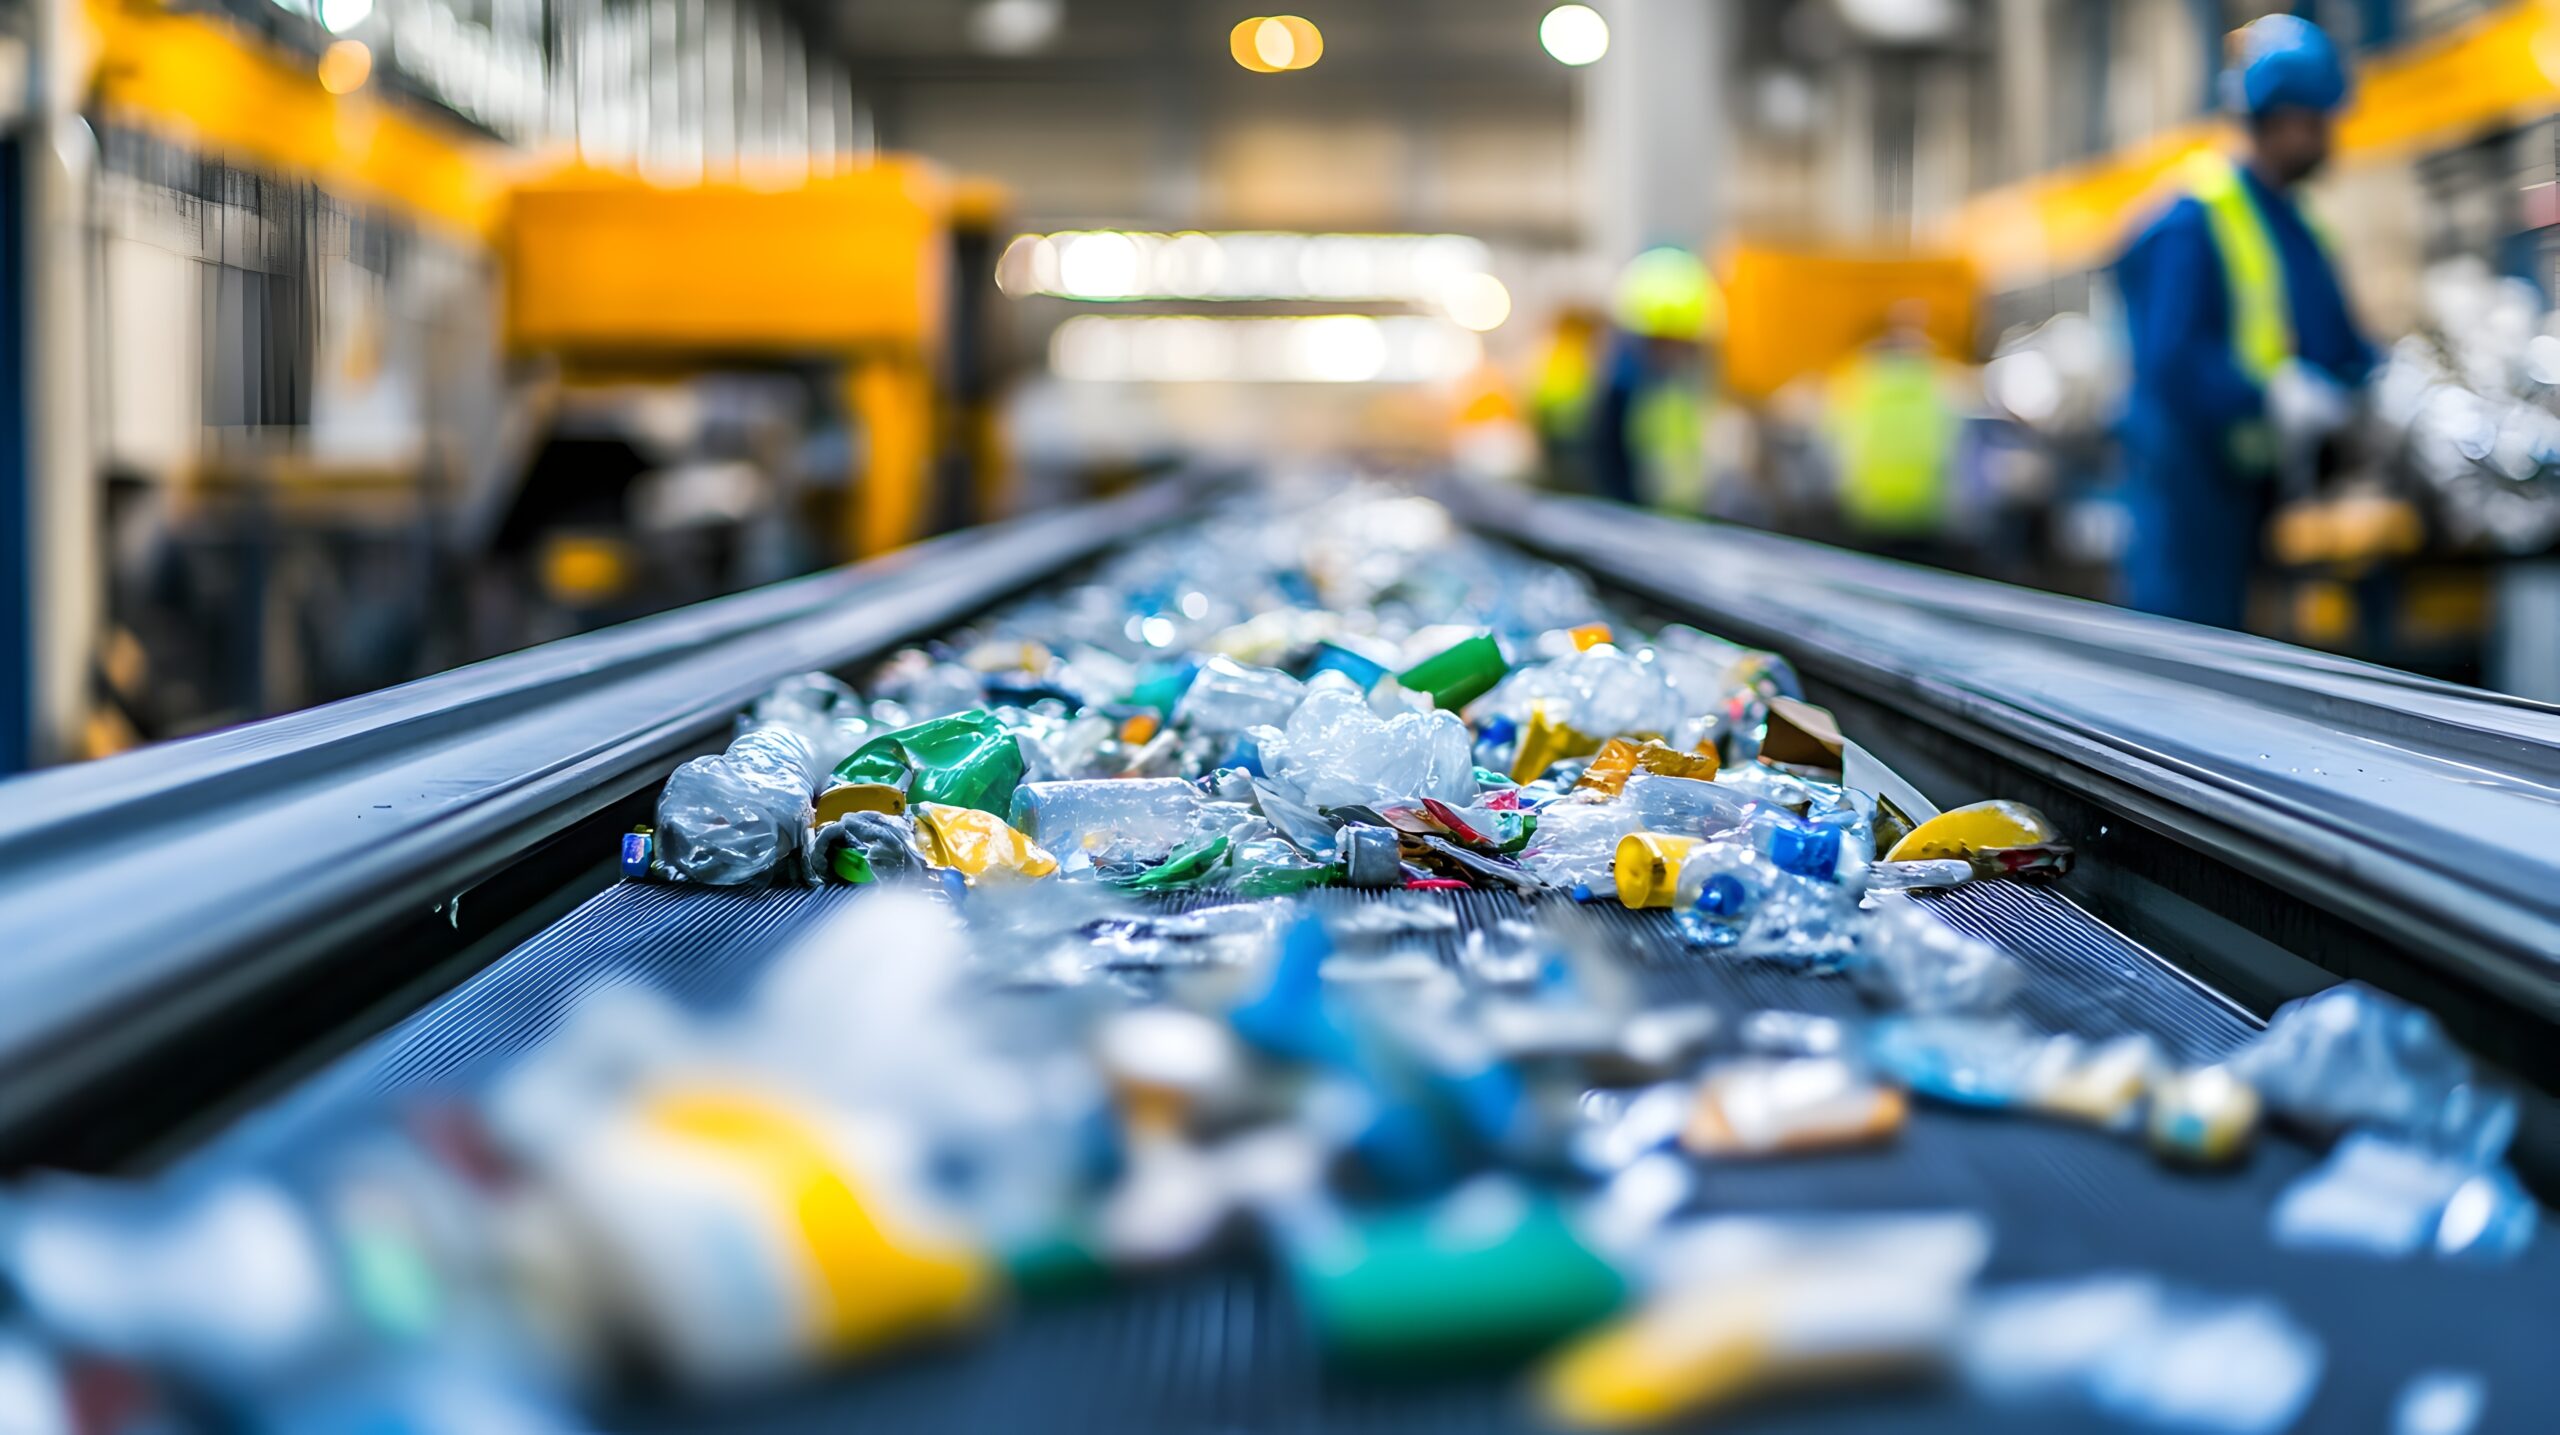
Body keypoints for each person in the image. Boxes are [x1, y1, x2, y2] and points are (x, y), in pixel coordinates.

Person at [2114, 14, 2375, 629]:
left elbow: (2337, 341)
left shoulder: (2298, 227)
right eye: (2318, 123)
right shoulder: (2191, 221)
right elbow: (2171, 362)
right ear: (2279, 121)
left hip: (2263, 483)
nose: (2328, 140)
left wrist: (2378, 378)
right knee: (2191, 652)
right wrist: (2270, 395)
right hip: (2193, 492)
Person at [1590, 247, 1723, 512]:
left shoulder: (1682, 395)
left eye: (1682, 343)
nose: (1673, 355)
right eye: (1663, 342)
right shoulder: (1619, 397)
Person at [1826, 302, 1960, 563]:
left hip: (1871, 506)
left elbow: (1832, 437)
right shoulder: (1937, 379)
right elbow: (1955, 441)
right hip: (1921, 506)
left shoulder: (1858, 377)